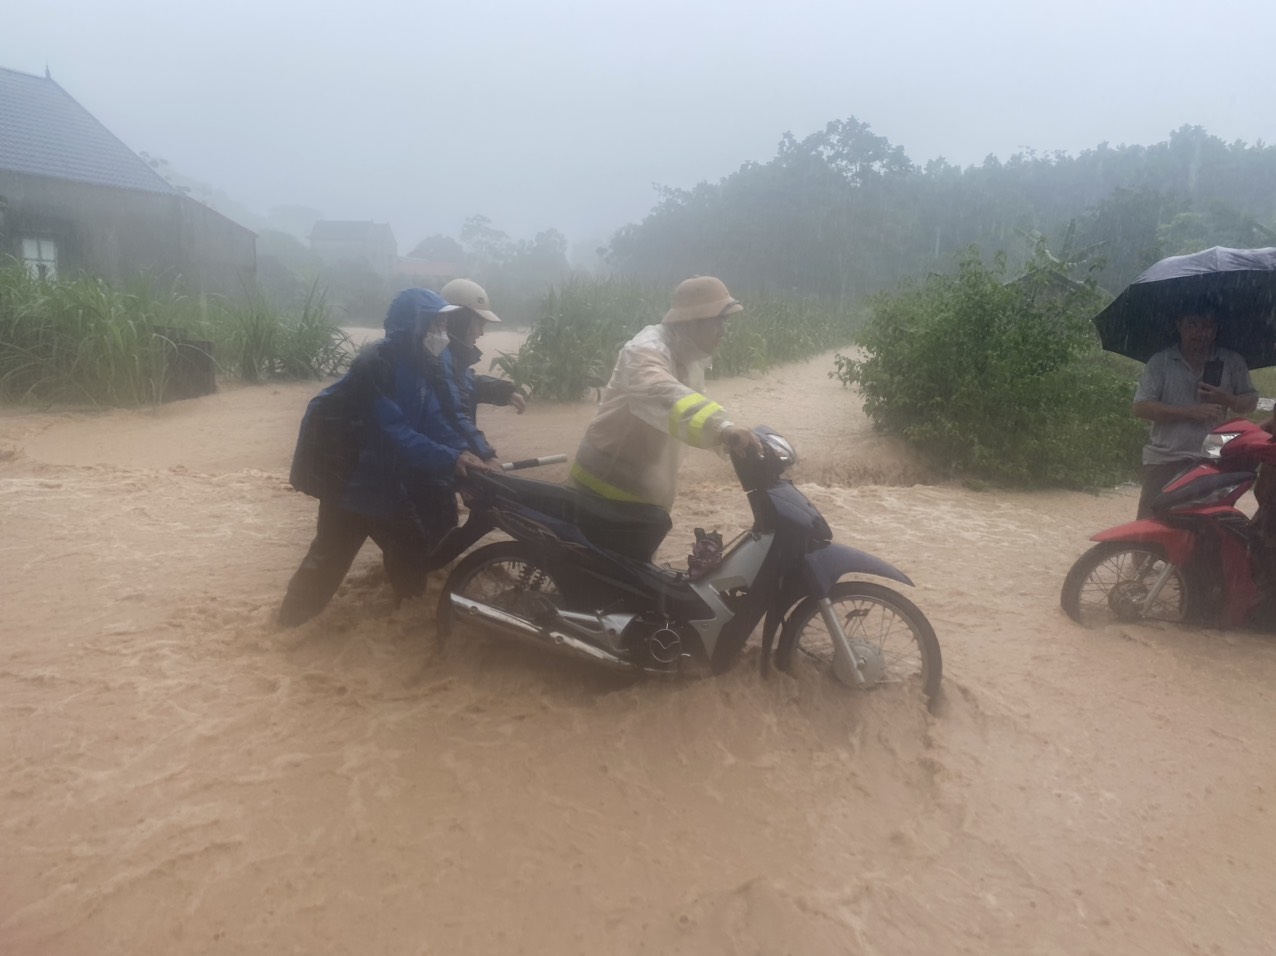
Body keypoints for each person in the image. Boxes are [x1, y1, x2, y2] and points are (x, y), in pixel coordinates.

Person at [278, 288, 490, 627]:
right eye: (435, 323)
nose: (441, 332)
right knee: (332, 555)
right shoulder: (375, 364)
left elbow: (435, 418)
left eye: (444, 323)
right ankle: (285, 630)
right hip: (349, 478)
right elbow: (393, 430)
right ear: (413, 325)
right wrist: (451, 458)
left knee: (410, 547)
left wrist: (466, 453)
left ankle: (403, 624)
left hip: (384, 476)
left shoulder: (426, 363)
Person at [569, 275, 763, 555]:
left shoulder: (688, 355)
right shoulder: (647, 349)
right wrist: (722, 427)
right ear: (694, 320)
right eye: (718, 321)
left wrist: (728, 434)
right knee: (606, 579)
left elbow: (684, 415)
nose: (723, 331)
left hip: (643, 489)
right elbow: (662, 393)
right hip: (607, 485)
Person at [1132, 308, 1257, 519]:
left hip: (1213, 458)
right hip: (1165, 458)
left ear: (1216, 329)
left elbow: (1250, 403)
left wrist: (1228, 399)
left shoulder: (1233, 361)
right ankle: (1143, 554)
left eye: (1207, 326)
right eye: (1193, 325)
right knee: (1151, 526)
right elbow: (1140, 407)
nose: (1200, 333)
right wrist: (1189, 412)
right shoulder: (1160, 362)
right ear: (1179, 326)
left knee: (1205, 528)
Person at [439, 278, 528, 429]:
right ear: (458, 322)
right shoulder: (432, 364)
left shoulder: (448, 361)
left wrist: (503, 391)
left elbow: (464, 383)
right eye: (479, 325)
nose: (481, 333)